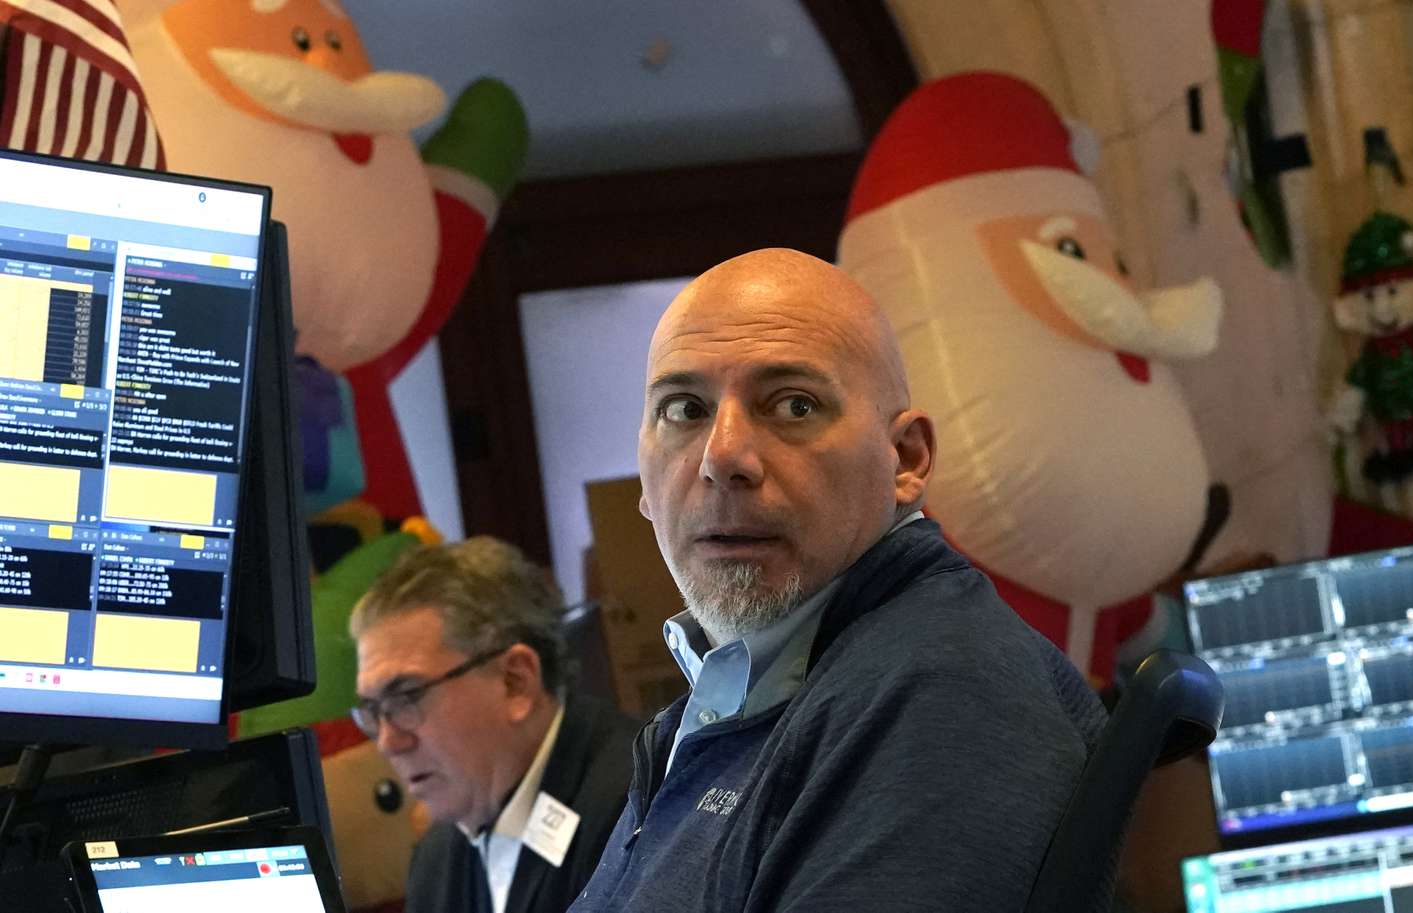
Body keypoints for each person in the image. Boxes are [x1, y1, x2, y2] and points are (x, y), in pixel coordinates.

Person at [568, 248, 1108, 912]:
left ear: (905, 459)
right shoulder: (749, 689)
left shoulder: (944, 692)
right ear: (644, 486)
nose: (723, 456)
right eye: (684, 410)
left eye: (793, 404)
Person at [350, 536, 636, 913]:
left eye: (406, 696)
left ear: (514, 681)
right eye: (372, 708)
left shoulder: (639, 811)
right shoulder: (436, 858)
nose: (388, 741)